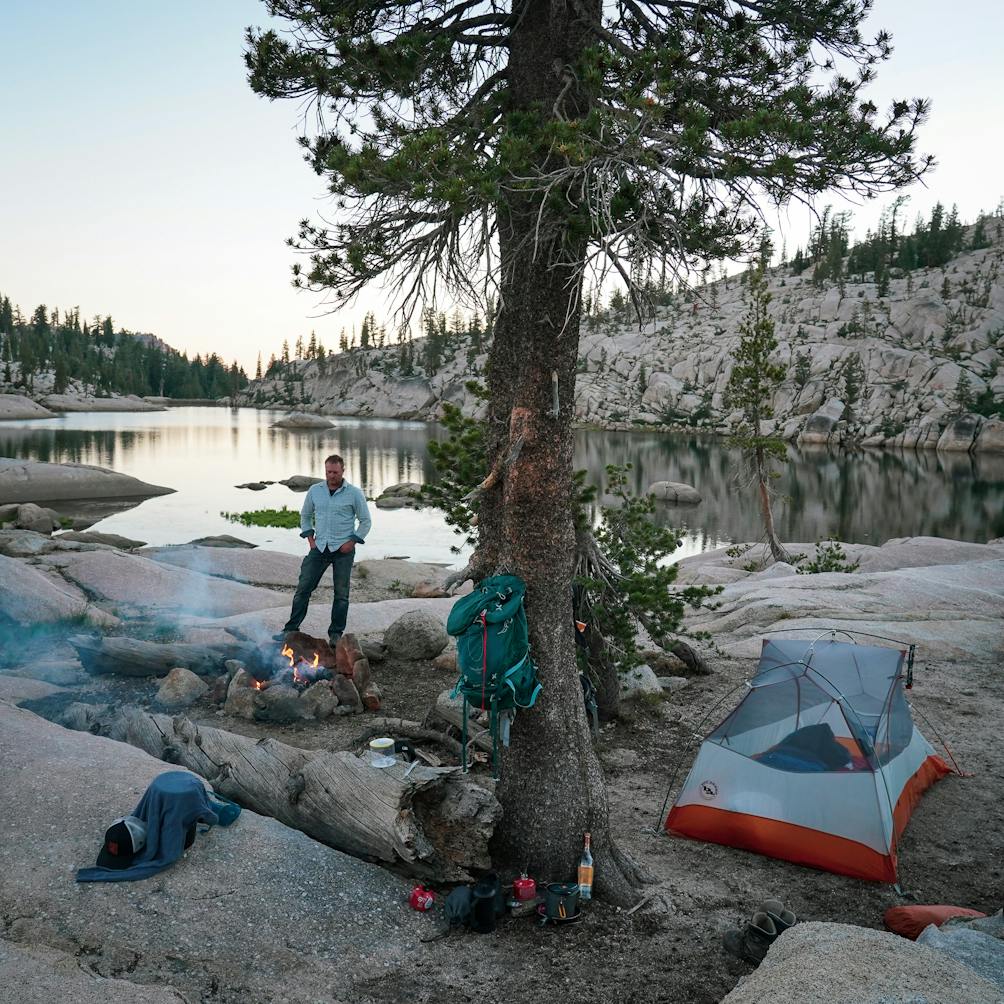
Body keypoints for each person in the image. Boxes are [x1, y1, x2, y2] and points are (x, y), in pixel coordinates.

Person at [278, 454, 372, 647]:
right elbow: (305, 516)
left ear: (343, 471)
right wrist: (310, 539)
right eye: (328, 472)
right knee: (303, 588)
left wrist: (352, 542)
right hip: (319, 547)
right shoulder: (315, 491)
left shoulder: (354, 493)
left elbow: (366, 521)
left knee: (341, 595)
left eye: (335, 472)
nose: (331, 476)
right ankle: (290, 629)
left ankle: (336, 635)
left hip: (343, 550)